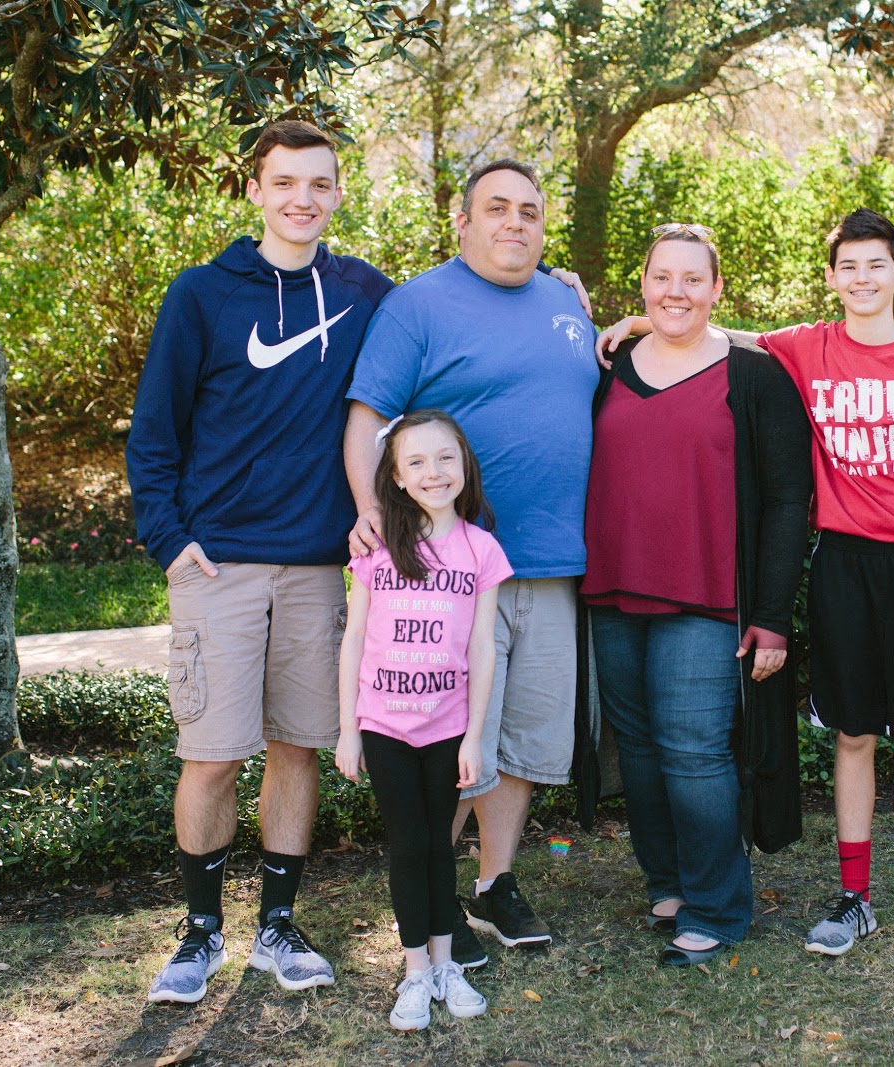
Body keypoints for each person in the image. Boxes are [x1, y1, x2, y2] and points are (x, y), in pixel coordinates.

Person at [598, 207, 894, 967]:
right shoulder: (807, 347)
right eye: (849, 266)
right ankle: (853, 897)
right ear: (832, 276)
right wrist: (640, 324)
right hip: (839, 562)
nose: (863, 279)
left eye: (877, 265)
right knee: (851, 734)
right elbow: (721, 336)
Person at [128, 119, 394, 1004]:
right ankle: (200, 931)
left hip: (317, 568)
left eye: (319, 183)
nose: (301, 199)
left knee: (297, 749)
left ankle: (278, 924)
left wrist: (563, 290)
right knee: (211, 756)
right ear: (255, 190)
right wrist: (171, 541)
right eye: (284, 182)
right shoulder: (202, 293)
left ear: (339, 193)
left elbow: (453, 315)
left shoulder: (365, 292)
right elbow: (153, 434)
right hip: (219, 567)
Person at [343, 159, 600, 969]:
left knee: (521, 738)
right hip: (445, 571)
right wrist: (372, 511)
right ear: (463, 221)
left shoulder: (566, 303)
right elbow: (368, 417)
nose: (514, 222)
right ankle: (432, 892)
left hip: (552, 564)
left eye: (529, 209)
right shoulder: (418, 304)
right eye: (496, 208)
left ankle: (493, 881)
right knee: (449, 733)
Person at [582, 224, 811, 967]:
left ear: (716, 289)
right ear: (643, 285)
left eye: (691, 279)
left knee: (692, 748)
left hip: (707, 597)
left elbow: (789, 501)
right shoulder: (609, 366)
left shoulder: (755, 375)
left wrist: (771, 616)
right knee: (639, 748)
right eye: (662, 278)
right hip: (612, 589)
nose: (675, 291)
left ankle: (717, 905)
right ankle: (670, 882)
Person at [336, 410, 510, 1030]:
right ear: (396, 477)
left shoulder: (481, 550)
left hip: (448, 728)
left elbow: (483, 647)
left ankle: (445, 964)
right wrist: (348, 729)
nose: (433, 472)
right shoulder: (378, 548)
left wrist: (474, 736)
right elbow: (354, 639)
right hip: (385, 727)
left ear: (464, 466)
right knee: (408, 843)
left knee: (440, 842)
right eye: (416, 461)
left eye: (445, 458)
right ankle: (414, 971)